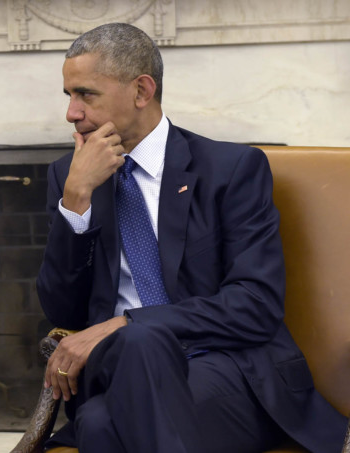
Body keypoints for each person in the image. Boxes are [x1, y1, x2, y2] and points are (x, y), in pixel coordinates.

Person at [37, 23, 346, 452]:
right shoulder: (69, 177)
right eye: (68, 96)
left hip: (224, 368)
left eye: (85, 94)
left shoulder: (231, 169)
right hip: (115, 369)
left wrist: (128, 324)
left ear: (142, 91)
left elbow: (255, 304)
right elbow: (62, 309)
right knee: (133, 354)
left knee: (101, 423)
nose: (72, 112)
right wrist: (76, 202)